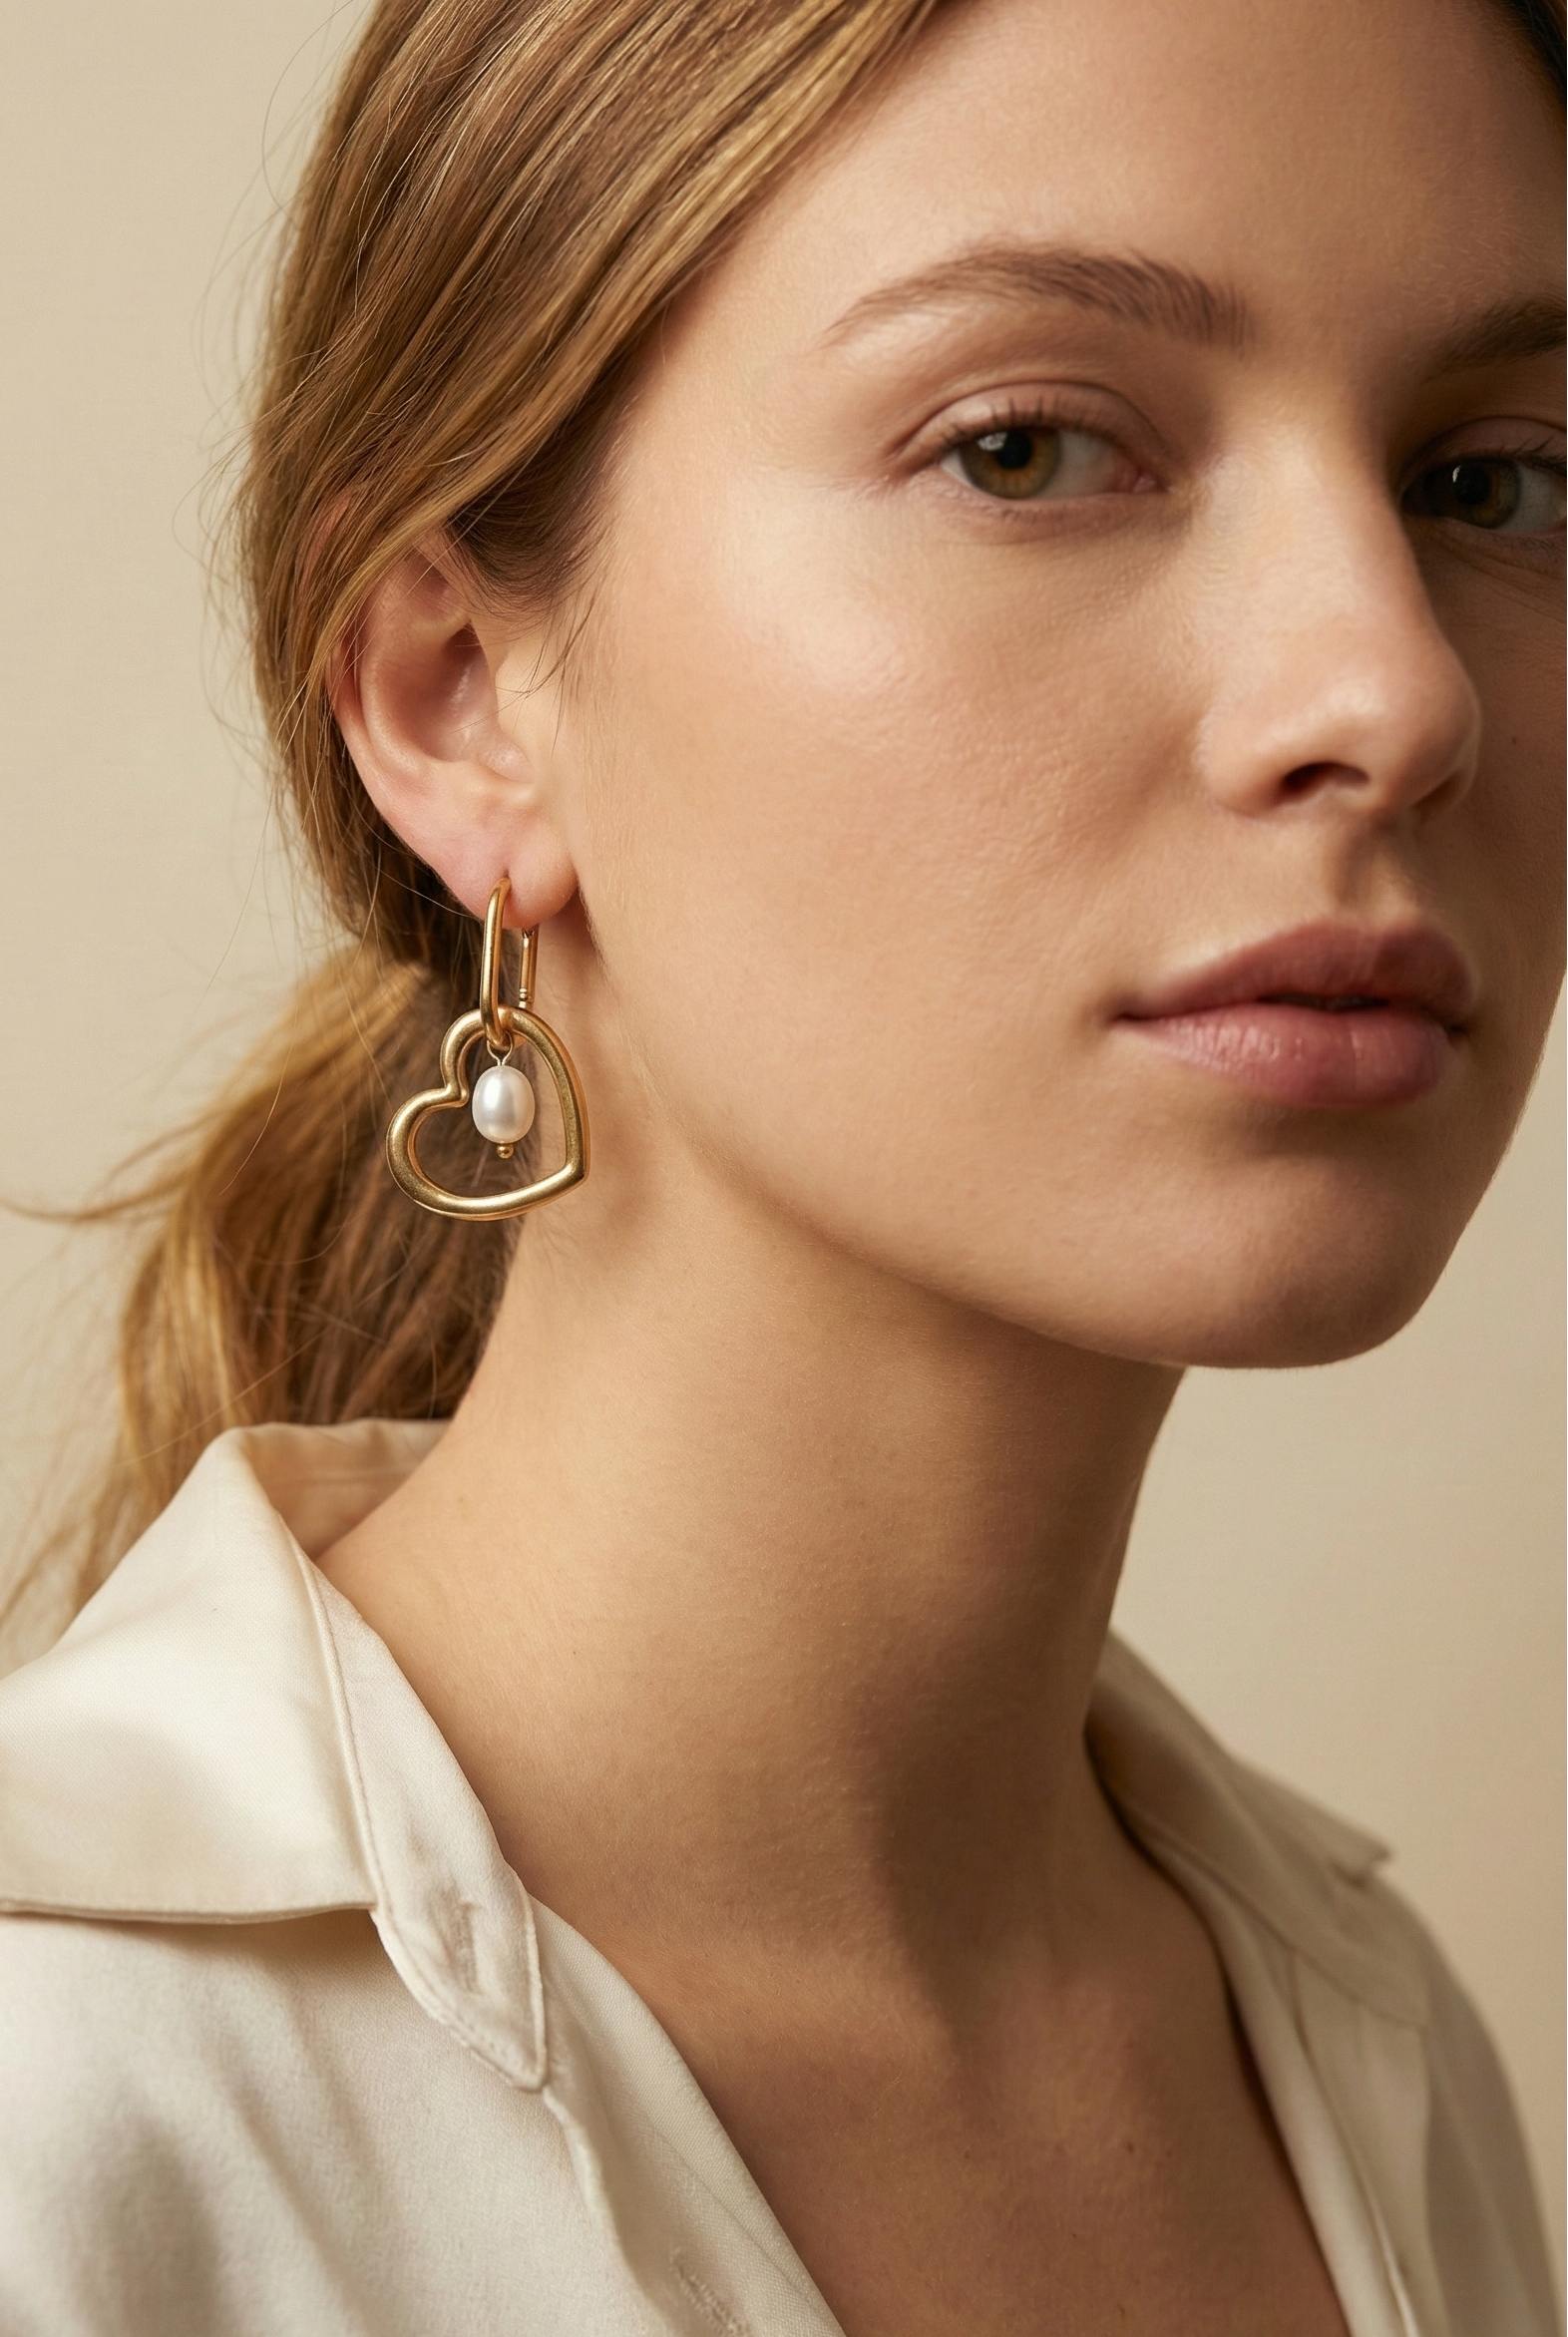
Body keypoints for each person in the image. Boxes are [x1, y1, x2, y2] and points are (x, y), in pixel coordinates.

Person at [0, 0, 1562, 2328]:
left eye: (1495, 480)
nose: (1395, 689)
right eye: (1028, 448)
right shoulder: (69, 2108)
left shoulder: (1370, 2046)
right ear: (453, 691)